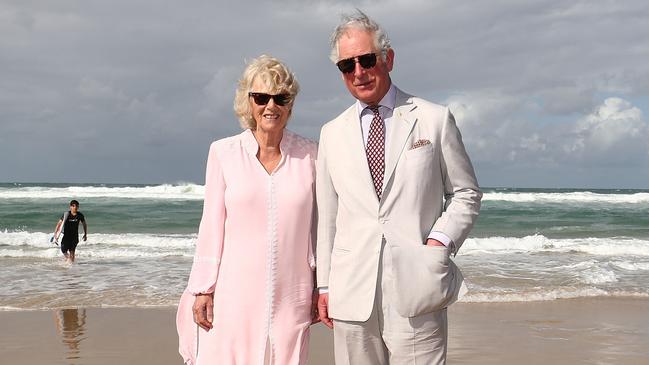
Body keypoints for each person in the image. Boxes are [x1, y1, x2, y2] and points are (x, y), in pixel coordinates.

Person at [316, 10, 482, 365]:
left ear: (387, 59)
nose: (358, 72)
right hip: (352, 292)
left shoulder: (434, 119)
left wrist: (440, 241)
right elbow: (327, 216)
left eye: (366, 59)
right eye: (347, 65)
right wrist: (325, 285)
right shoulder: (331, 133)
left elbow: (466, 193)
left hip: (417, 284)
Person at [176, 55, 318, 365]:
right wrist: (203, 288)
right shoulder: (223, 153)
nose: (271, 106)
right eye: (261, 97)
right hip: (233, 293)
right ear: (248, 101)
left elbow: (319, 227)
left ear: (290, 103)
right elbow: (211, 225)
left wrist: (321, 285)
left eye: (280, 97)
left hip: (292, 292)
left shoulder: (311, 156)